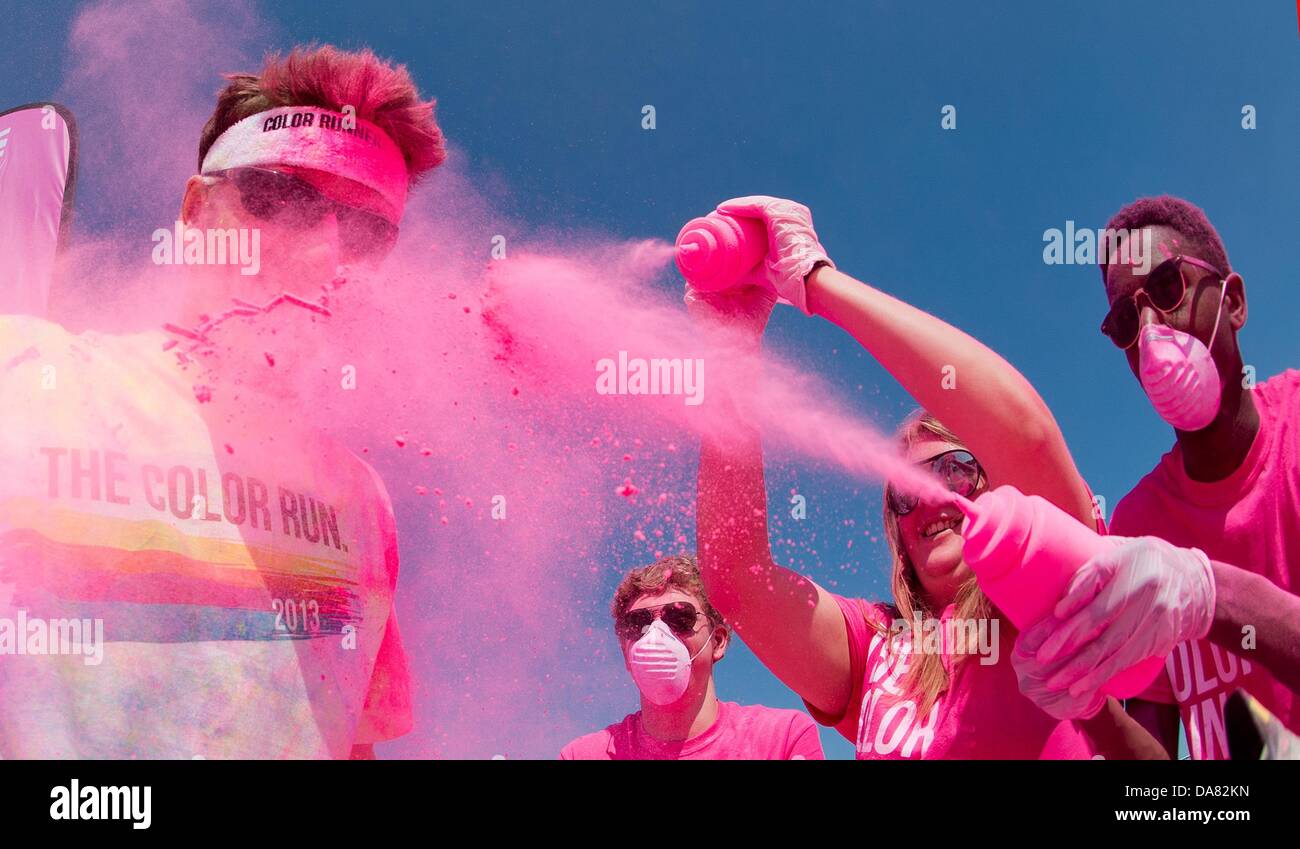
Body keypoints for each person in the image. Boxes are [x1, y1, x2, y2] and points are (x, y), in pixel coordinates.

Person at [0, 45, 446, 758]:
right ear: (196, 209)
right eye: (284, 196)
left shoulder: (364, 504)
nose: (326, 255)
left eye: (367, 229)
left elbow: (351, 745)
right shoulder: (22, 371)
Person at [690, 196, 1167, 758]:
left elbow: (1025, 434)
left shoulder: (1047, 597)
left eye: (956, 471)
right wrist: (732, 350)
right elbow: (734, 575)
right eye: (905, 492)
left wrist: (814, 282)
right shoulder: (876, 647)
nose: (931, 500)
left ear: (997, 487)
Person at [1009, 196, 1300, 759]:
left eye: (1167, 289)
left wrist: (1210, 594)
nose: (1148, 332)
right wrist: (1090, 705)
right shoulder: (1138, 523)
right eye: (1124, 321)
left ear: (1233, 302)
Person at [560, 554, 824, 760]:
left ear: (718, 641)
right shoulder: (581, 754)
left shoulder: (781, 738)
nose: (656, 634)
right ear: (626, 654)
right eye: (637, 623)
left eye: (679, 617)